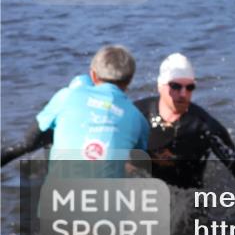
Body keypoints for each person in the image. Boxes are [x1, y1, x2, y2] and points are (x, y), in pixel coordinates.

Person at [132, 53, 235, 220]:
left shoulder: (204, 127)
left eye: (189, 87)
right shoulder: (136, 115)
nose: (182, 93)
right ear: (160, 86)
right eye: (175, 86)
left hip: (188, 200)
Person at [1, 46, 148, 172]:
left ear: (93, 75)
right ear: (130, 80)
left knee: (28, 144)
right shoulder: (138, 118)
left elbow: (32, 136)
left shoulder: (67, 95)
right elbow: (137, 160)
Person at [1, 73, 93, 166]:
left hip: (53, 128)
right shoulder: (65, 96)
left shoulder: (67, 95)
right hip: (48, 127)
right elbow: (42, 123)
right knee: (27, 145)